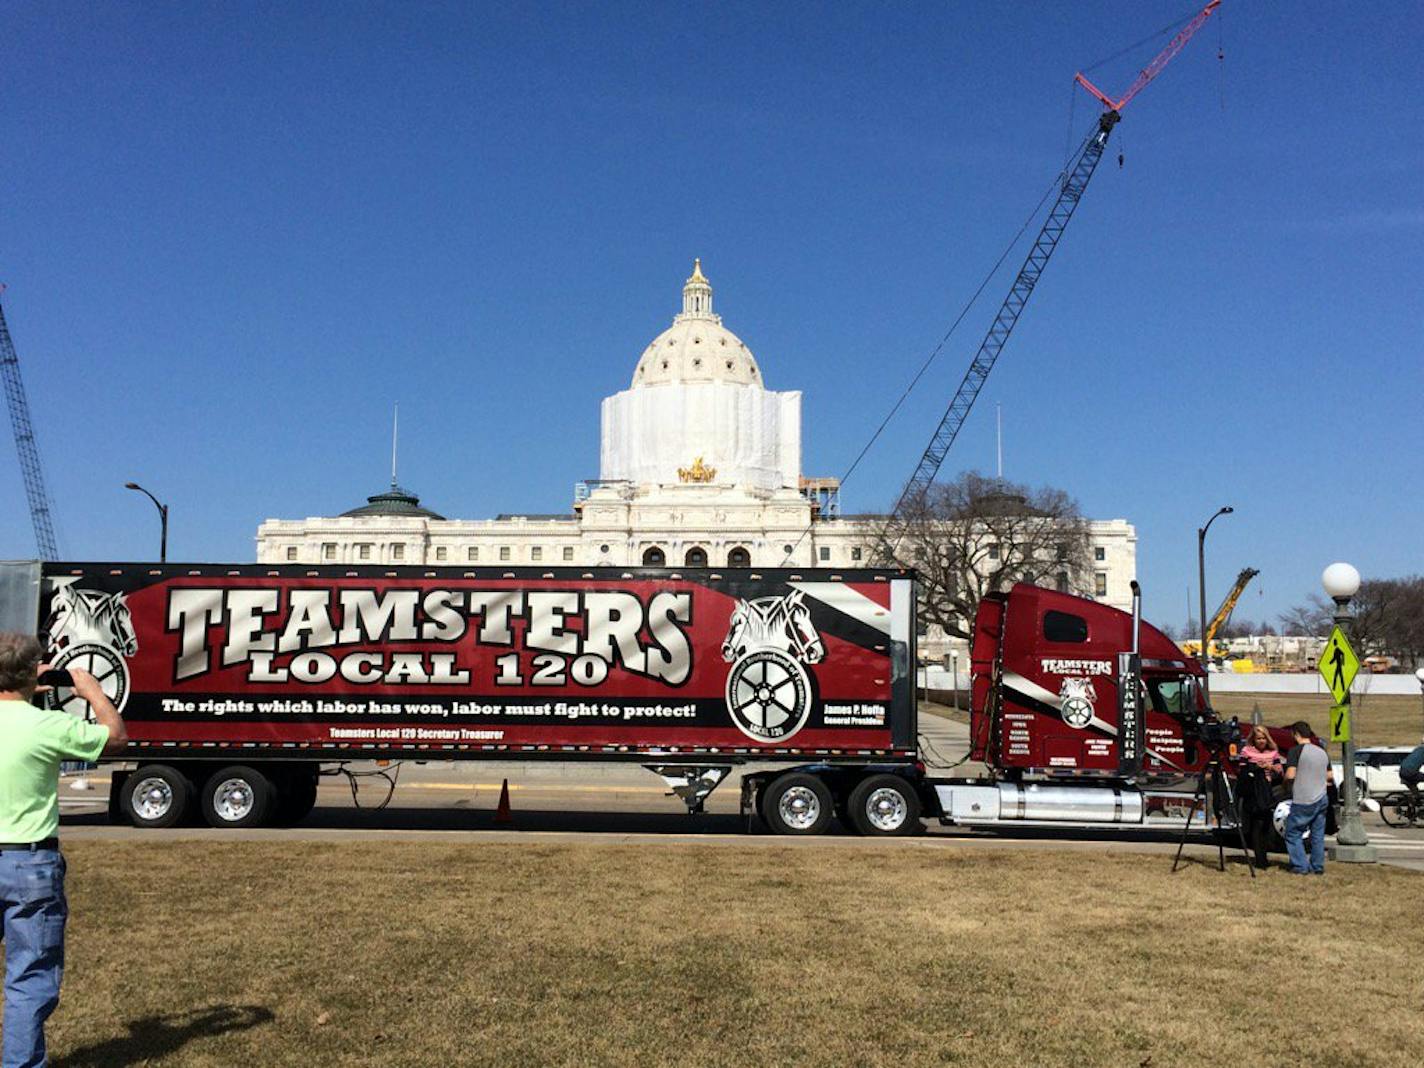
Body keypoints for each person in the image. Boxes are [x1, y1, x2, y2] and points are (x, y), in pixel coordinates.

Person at [1, 632, 126, 1068]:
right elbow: (114, 738)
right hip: (29, 861)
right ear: (33, 675)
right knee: (29, 978)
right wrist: (94, 693)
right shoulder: (48, 727)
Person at [1282, 720, 1335, 876]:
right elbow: (1330, 777)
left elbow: (1291, 774)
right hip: (1322, 797)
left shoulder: (1295, 751)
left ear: (1295, 734)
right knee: (1317, 834)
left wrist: (1285, 782)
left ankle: (1300, 866)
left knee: (1293, 833)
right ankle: (1317, 866)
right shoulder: (1321, 751)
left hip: (1304, 797)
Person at [1401, 736, 1424, 807]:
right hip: (1410, 772)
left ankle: (1414, 807)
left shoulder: (1418, 749)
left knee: (1416, 792)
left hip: (1402, 771)